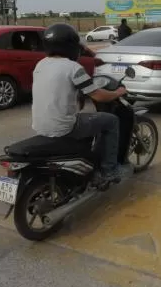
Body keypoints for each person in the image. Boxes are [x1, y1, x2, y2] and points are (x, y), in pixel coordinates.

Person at [31, 23, 134, 187]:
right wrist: (118, 92)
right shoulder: (73, 68)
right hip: (64, 127)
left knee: (87, 118)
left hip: (40, 126)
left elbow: (60, 88)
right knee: (111, 121)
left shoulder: (41, 64)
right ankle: (109, 170)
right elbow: (98, 95)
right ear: (70, 46)